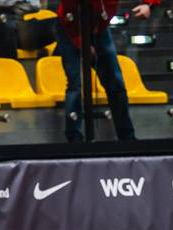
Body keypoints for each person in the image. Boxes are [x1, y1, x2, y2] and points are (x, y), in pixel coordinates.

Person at [55, 0, 147, 141]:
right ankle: (74, 138)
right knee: (75, 84)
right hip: (70, 28)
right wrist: (82, 43)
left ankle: (127, 137)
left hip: (99, 29)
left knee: (116, 83)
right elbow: (68, 17)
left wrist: (148, 4)